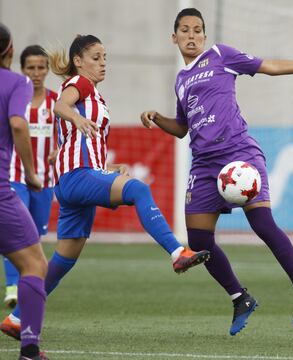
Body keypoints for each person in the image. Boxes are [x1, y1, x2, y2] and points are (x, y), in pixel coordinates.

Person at [140, 8, 293, 336]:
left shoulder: (221, 55)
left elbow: (269, 66)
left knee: (262, 222)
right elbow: (182, 128)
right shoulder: (181, 80)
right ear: (174, 37)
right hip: (205, 164)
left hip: (239, 153)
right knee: (197, 239)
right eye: (184, 30)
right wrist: (158, 118)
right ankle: (240, 298)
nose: (191, 35)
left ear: (204, 36)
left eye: (197, 30)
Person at [1, 33, 210, 341]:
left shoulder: (96, 97)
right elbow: (60, 106)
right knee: (138, 190)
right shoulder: (80, 84)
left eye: (105, 59)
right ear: (78, 62)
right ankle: (177, 252)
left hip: (76, 178)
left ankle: (18, 319)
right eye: (96, 58)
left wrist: (109, 168)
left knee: (64, 258)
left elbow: (78, 142)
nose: (102, 64)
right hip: (76, 176)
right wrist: (76, 118)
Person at [0, 23, 49, 360]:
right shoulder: (16, 83)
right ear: (10, 49)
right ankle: (29, 350)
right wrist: (31, 173)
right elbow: (18, 124)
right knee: (34, 263)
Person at [2, 45, 57, 309]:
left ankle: (29, 285)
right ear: (21, 69)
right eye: (30, 68)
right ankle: (12, 286)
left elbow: (64, 136)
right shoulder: (15, 95)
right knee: (15, 231)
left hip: (44, 180)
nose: (36, 73)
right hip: (15, 175)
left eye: (41, 68)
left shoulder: (56, 102)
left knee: (34, 235)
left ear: (47, 70)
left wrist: (58, 150)